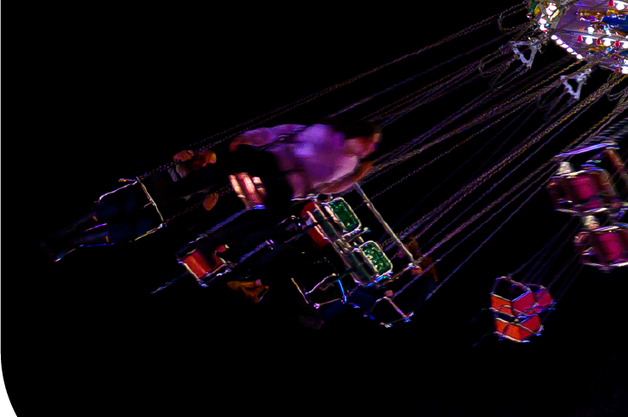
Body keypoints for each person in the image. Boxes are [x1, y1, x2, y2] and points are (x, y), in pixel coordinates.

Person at [45, 117, 381, 261]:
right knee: (108, 211)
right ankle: (67, 233)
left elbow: (324, 188)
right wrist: (249, 140)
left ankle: (71, 242)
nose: (370, 149)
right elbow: (285, 133)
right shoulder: (326, 135)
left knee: (121, 231)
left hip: (174, 209)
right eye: (371, 142)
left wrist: (351, 178)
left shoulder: (349, 164)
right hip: (162, 190)